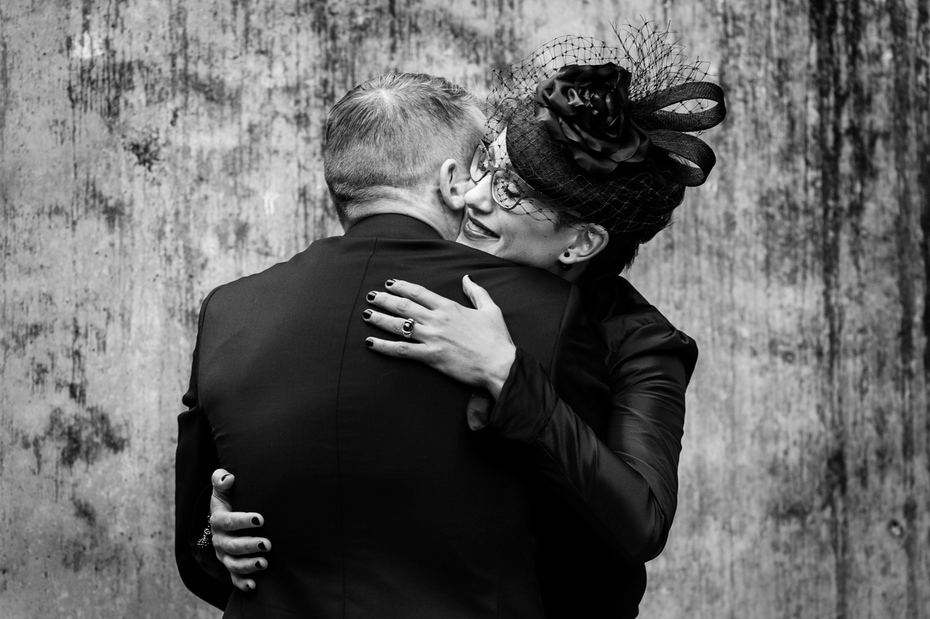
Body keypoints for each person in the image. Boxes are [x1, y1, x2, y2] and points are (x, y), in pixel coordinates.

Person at [200, 25, 726, 618]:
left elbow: (641, 522)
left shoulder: (641, 343)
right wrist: (221, 529)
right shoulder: (403, 278)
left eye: (511, 192)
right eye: (487, 168)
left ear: (580, 242)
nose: (472, 197)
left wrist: (508, 376)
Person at [176, 72, 609, 618]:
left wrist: (212, 538)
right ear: (452, 181)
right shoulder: (547, 310)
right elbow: (595, 540)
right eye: (481, 170)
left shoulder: (229, 310)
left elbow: (198, 545)